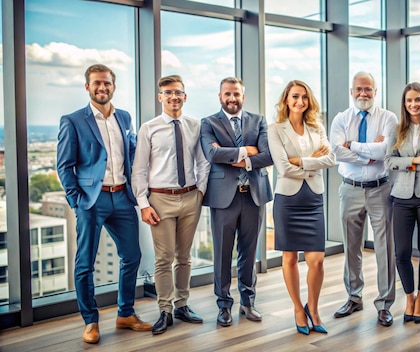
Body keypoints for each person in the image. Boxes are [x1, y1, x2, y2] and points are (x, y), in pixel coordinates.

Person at [57, 64, 152, 344]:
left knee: (132, 256)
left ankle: (125, 314)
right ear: (87, 87)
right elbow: (64, 166)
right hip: (91, 201)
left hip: (122, 196)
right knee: (85, 263)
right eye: (97, 83)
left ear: (114, 86)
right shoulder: (72, 120)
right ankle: (90, 321)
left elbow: (132, 153)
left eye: (107, 83)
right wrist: (77, 202)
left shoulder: (124, 117)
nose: (102, 88)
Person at [132, 75, 210, 335]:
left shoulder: (194, 125)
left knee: (184, 257)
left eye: (178, 92)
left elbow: (203, 161)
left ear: (185, 96)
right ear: (160, 97)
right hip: (160, 199)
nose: (173, 97)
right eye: (168, 93)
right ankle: (165, 309)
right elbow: (139, 168)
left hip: (190, 198)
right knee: (164, 258)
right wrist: (144, 204)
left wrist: (200, 191)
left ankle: (182, 305)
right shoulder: (149, 128)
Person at [200, 77, 273, 327]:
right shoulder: (208, 122)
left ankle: (248, 302)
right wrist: (247, 151)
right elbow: (212, 154)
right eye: (228, 94)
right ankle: (223, 306)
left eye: (237, 94)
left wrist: (231, 154)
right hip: (224, 199)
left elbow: (268, 155)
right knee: (222, 254)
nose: (232, 99)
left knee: (249, 252)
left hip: (253, 195)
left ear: (244, 96)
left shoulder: (259, 120)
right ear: (220, 96)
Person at [329, 71, 397, 327]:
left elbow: (385, 150)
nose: (363, 93)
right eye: (359, 89)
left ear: (375, 91)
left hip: (381, 189)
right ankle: (354, 297)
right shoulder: (340, 119)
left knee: (384, 249)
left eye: (368, 89)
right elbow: (336, 151)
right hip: (350, 189)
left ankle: (384, 304)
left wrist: (353, 146)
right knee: (351, 248)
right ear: (351, 91)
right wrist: (368, 154)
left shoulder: (388, 117)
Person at [268, 80, 336, 335]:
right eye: (295, 97)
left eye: (304, 97)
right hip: (288, 200)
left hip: (313, 199)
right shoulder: (275, 129)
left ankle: (314, 308)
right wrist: (312, 160)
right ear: (286, 99)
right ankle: (298, 308)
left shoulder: (316, 127)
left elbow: (330, 159)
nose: (300, 102)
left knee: (317, 260)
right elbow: (283, 168)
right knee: (289, 258)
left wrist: (300, 160)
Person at [384, 82, 420, 324]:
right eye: (409, 101)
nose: (413, 104)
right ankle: (408, 296)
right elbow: (388, 161)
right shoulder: (397, 130)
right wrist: (416, 159)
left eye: (418, 100)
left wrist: (409, 161)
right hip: (402, 196)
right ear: (404, 104)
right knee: (402, 252)